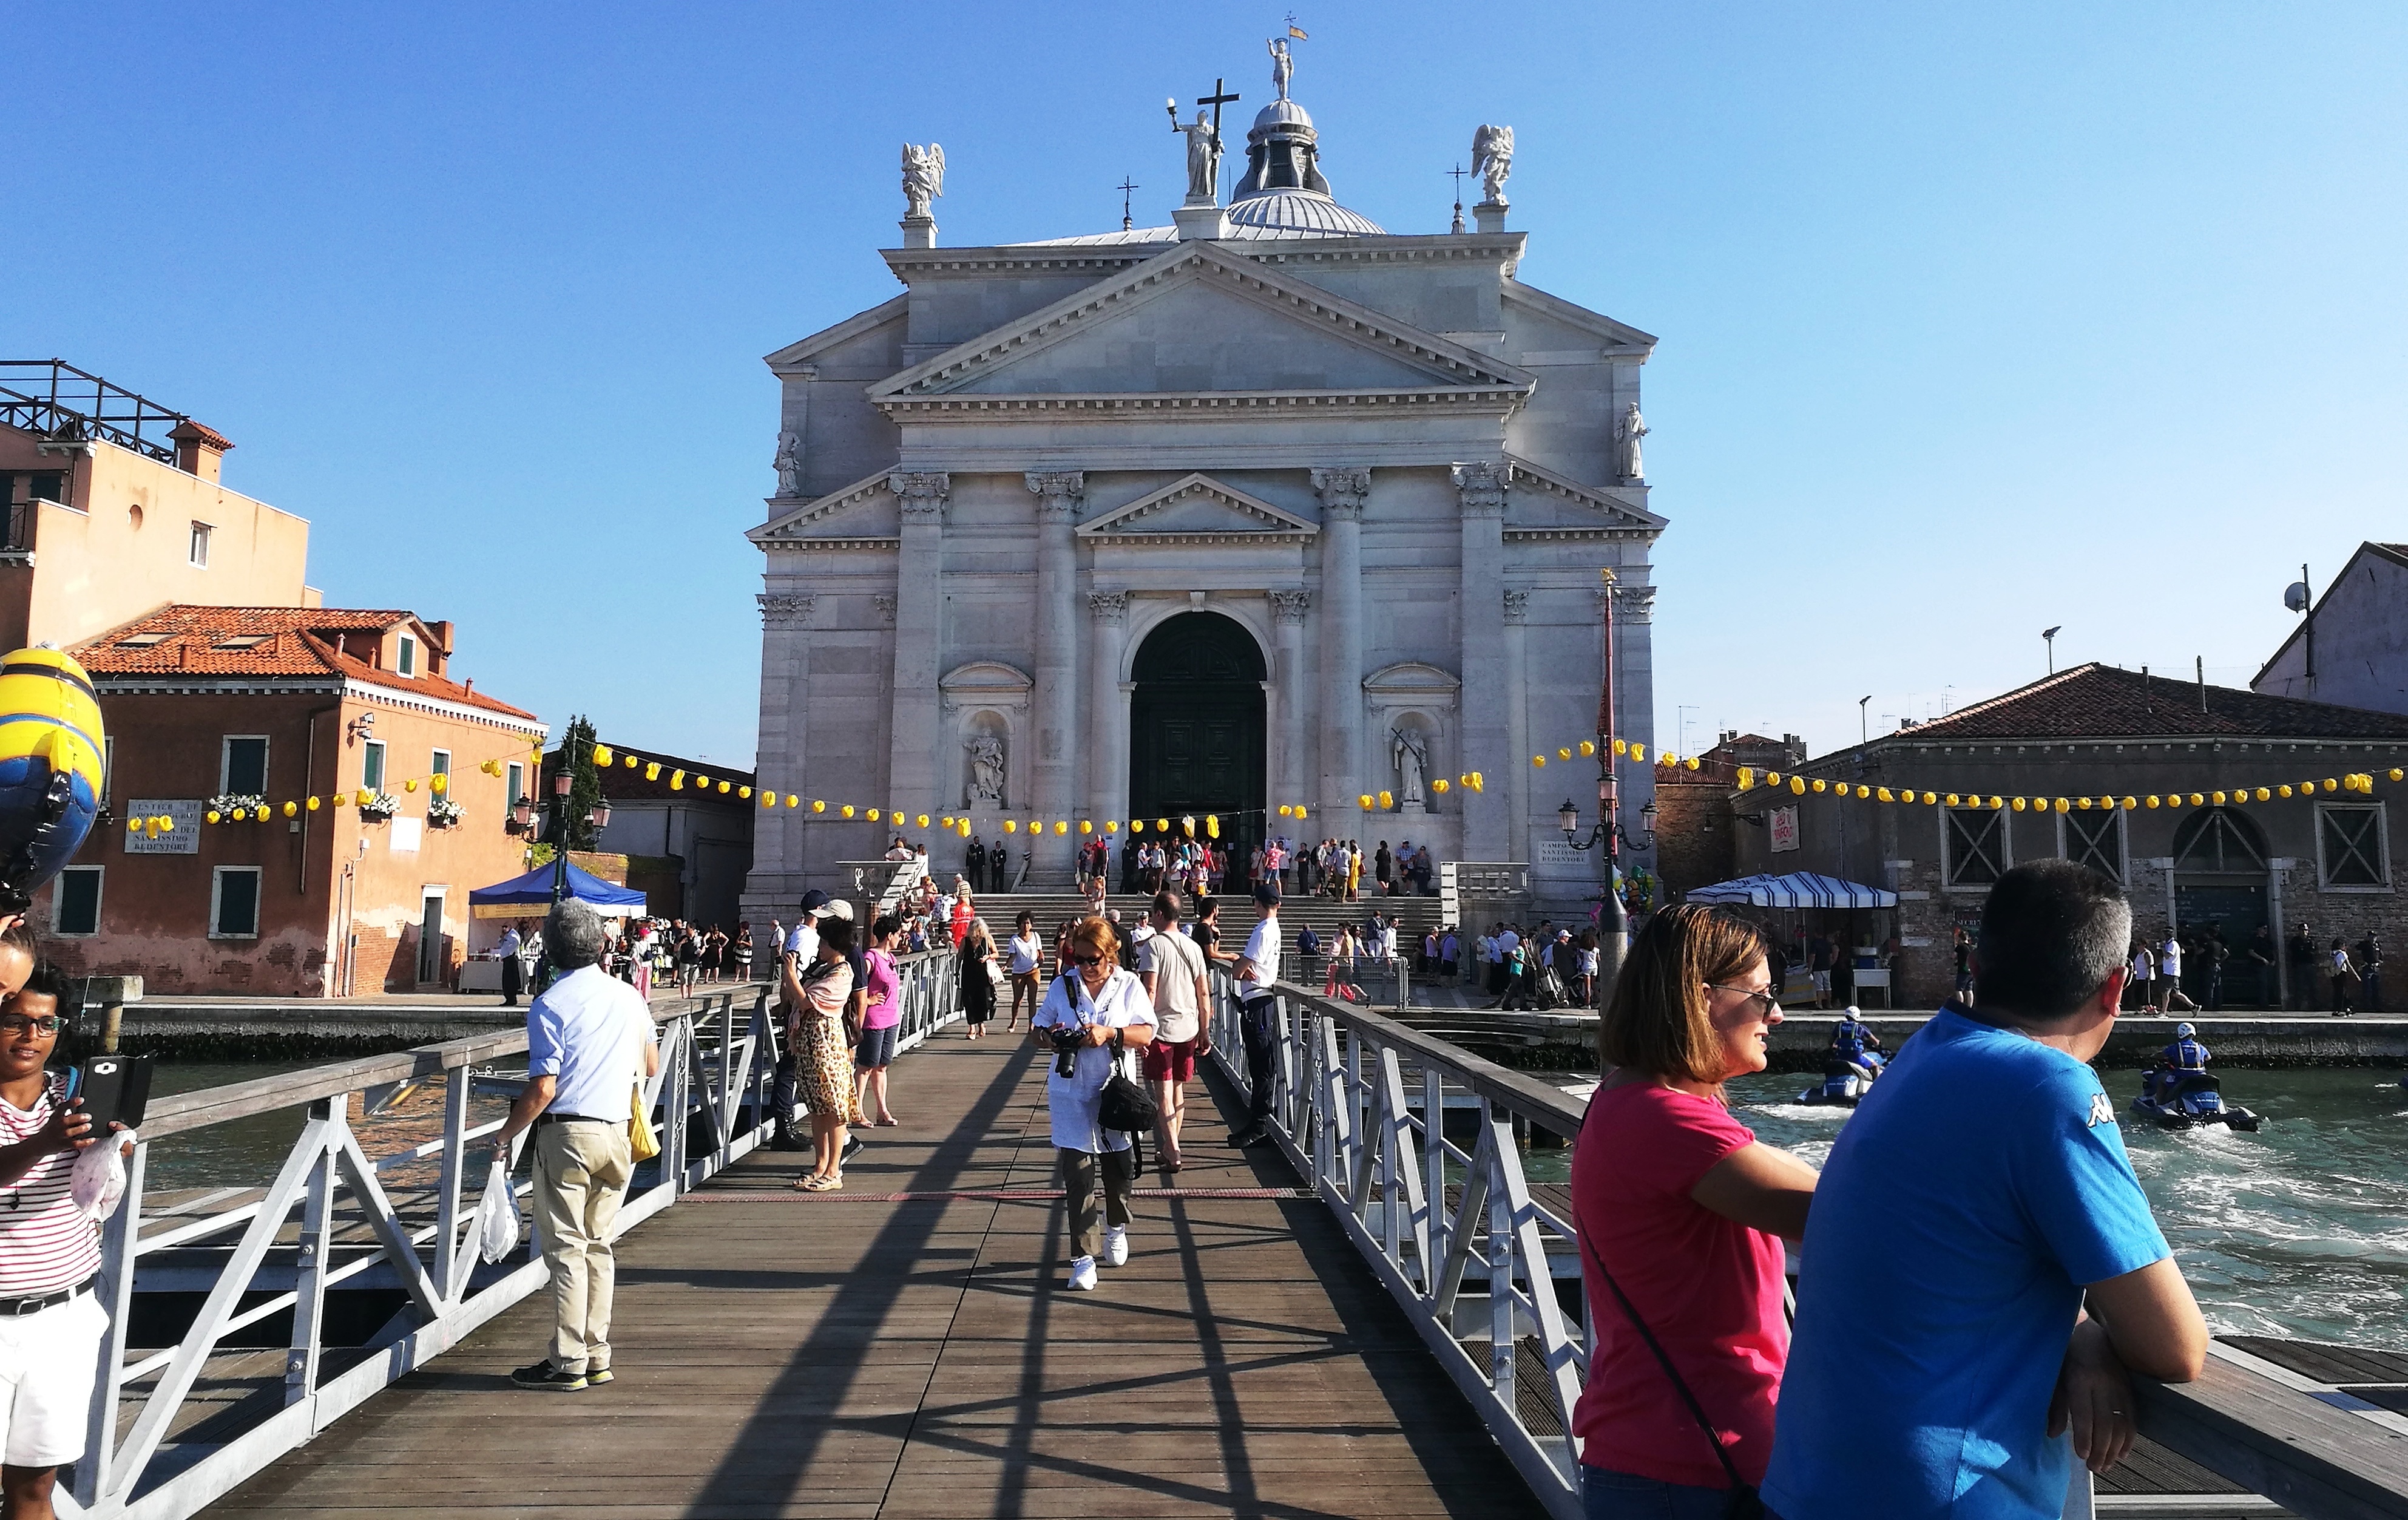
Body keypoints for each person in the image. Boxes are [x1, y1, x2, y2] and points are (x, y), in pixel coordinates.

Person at [1763, 861, 2208, 1519]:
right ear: (2115, 987)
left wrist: (2076, 1329)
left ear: (1973, 963)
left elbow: (1963, 1255)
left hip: (1811, 1480)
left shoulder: (1923, 1053)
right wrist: (2090, 1335)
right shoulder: (2050, 1086)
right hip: (1937, 1496)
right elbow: (2174, 1347)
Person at [1569, 906, 1818, 1513]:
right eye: (1761, 995)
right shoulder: (1668, 1121)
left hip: (1662, 1449)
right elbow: (1850, 1214)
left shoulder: (1630, 1099)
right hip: (1690, 1466)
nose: (1775, 1015)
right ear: (1702, 998)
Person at [491, 901, 661, 1392]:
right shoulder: (630, 996)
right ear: (602, 945)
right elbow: (651, 1065)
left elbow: (543, 1088)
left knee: (566, 1248)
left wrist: (505, 1136)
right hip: (619, 1131)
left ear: (551, 950)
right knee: (598, 1246)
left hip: (568, 1134)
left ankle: (568, 1361)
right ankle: (597, 1353)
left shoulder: (550, 1004)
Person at [0, 954, 126, 1519]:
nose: (31, 1036)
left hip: (63, 1318)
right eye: (15, 1020)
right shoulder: (53, 1124)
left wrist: (111, 1147)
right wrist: (44, 1144)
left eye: (46, 1023)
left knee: (36, 1488)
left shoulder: (74, 1096)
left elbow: (102, 1186)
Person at [1031, 917, 1157, 1291]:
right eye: (1078, 958)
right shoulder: (1062, 985)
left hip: (1114, 1095)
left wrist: (1110, 1033)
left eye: (1093, 959)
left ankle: (1116, 1225)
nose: (1084, 966)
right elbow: (1037, 1030)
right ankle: (1083, 1258)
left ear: (1110, 954)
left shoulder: (1128, 985)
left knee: (1120, 1173)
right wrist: (1052, 1038)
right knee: (1078, 1178)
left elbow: (1147, 1033)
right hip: (1070, 1095)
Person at [1137, 891, 1212, 1171]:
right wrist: (1205, 1030)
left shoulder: (1153, 946)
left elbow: (1150, 989)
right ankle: (1170, 1148)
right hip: (1189, 1028)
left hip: (1161, 1029)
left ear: (1159, 914)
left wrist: (1142, 1029)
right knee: (1178, 1089)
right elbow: (1203, 992)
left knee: (1164, 1094)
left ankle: (1174, 1151)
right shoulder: (1193, 947)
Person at [788, 914, 863, 1190]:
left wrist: (791, 973)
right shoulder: (822, 970)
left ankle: (834, 1171)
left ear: (835, 945)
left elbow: (804, 1001)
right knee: (818, 1107)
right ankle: (820, 1165)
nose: (819, 947)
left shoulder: (842, 975)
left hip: (827, 1047)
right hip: (811, 1046)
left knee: (834, 1108)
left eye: (823, 943)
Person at [771, 892, 832, 1152]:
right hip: (802, 1008)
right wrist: (791, 1005)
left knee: (792, 1067)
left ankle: (784, 1126)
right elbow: (794, 974)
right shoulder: (807, 939)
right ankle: (783, 1128)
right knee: (790, 1068)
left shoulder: (800, 936)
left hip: (799, 1006)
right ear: (818, 911)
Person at [1228, 884, 1284, 1149]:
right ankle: (1257, 1121)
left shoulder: (1262, 930)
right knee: (1260, 1063)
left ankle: (1260, 1123)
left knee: (1261, 1064)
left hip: (1258, 1001)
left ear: (1258, 904)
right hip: (1261, 998)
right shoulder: (1274, 929)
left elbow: (1238, 971)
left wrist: (1240, 965)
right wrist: (1244, 965)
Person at [854, 915, 904, 1125]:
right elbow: (855, 983)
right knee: (866, 1066)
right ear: (889, 936)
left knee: (882, 1066)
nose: (900, 938)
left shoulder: (891, 959)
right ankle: (857, 1112)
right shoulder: (871, 958)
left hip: (891, 1018)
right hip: (873, 1020)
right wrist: (868, 1000)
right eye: (898, 934)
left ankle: (882, 1111)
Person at [959, 918, 999, 1040]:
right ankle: (972, 1028)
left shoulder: (987, 939)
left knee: (982, 999)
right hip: (968, 973)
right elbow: (960, 955)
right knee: (969, 1000)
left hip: (983, 973)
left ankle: (981, 1024)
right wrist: (956, 971)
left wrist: (988, 957)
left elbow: (996, 953)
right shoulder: (966, 940)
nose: (976, 932)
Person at [1006, 911, 1043, 1032]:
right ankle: (1014, 1020)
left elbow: (1040, 951)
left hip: (1033, 970)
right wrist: (1006, 966)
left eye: (1028, 923)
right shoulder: (1015, 939)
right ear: (1019, 925)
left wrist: (1041, 958)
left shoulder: (1036, 936)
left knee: (1032, 999)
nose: (1026, 926)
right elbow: (1012, 956)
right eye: (1023, 923)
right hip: (1019, 972)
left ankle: (1032, 1024)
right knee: (1018, 1000)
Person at [1829, 1004, 1883, 1073]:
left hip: (1841, 1055)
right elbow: (1875, 1042)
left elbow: (1830, 1042)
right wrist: (1879, 1044)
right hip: (1856, 1056)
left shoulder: (1839, 1026)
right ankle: (1877, 1080)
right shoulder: (1860, 1027)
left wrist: (1834, 1047)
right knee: (1875, 1066)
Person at [497, 923, 526, 1008]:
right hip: (506, 959)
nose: (504, 929)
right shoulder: (506, 935)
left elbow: (516, 943)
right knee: (506, 980)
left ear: (510, 927)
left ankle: (512, 998)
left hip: (511, 958)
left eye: (506, 927)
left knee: (511, 980)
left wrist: (510, 953)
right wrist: (502, 937)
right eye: (503, 927)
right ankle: (508, 998)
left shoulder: (513, 935)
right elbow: (500, 945)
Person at [2330, 937, 2357, 1017]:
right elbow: (2349, 965)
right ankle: (2339, 1010)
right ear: (2341, 945)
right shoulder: (2342, 954)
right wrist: (2356, 975)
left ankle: (2347, 1008)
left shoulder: (2332, 953)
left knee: (2338, 992)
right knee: (2342, 992)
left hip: (2333, 974)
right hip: (2341, 974)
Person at [2359, 932, 2384, 1013]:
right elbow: (2356, 951)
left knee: (2376, 988)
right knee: (2367, 988)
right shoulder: (2365, 945)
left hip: (2376, 968)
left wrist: (2380, 963)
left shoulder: (2378, 945)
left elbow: (2381, 956)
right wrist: (2362, 962)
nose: (2373, 939)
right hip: (2367, 967)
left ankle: (2377, 1006)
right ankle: (2367, 1006)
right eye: (2371, 937)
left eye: (2374, 937)